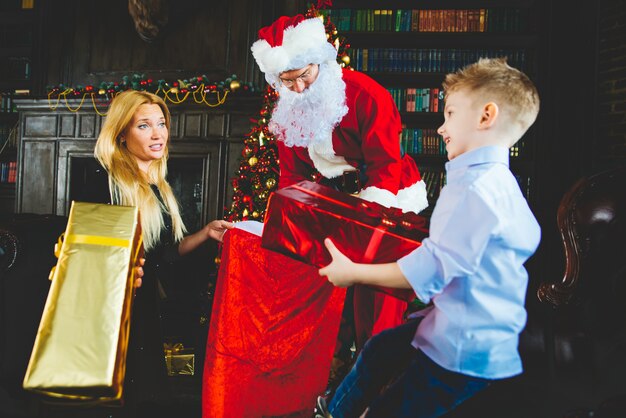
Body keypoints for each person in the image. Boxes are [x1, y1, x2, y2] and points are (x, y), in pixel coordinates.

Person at [315, 57, 541, 418]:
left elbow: (430, 269)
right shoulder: (502, 185)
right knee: (380, 350)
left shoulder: (472, 189)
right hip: (474, 332)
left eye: (450, 113)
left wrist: (353, 272)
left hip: (460, 349)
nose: (440, 128)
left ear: (486, 116)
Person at [251, 14, 429, 386]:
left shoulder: (365, 94)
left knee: (376, 303)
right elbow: (293, 178)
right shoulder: (288, 109)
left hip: (388, 197)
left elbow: (385, 166)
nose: (299, 87)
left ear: (321, 61)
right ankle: (330, 386)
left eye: (305, 75)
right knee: (322, 294)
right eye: (288, 80)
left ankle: (380, 388)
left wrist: (366, 224)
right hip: (335, 204)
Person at [89, 90, 234, 417]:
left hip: (143, 304)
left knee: (144, 396)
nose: (158, 134)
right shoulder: (105, 182)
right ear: (122, 134)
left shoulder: (159, 186)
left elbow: (165, 254)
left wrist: (206, 233)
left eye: (161, 124)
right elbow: (91, 254)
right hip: (112, 309)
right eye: (144, 125)